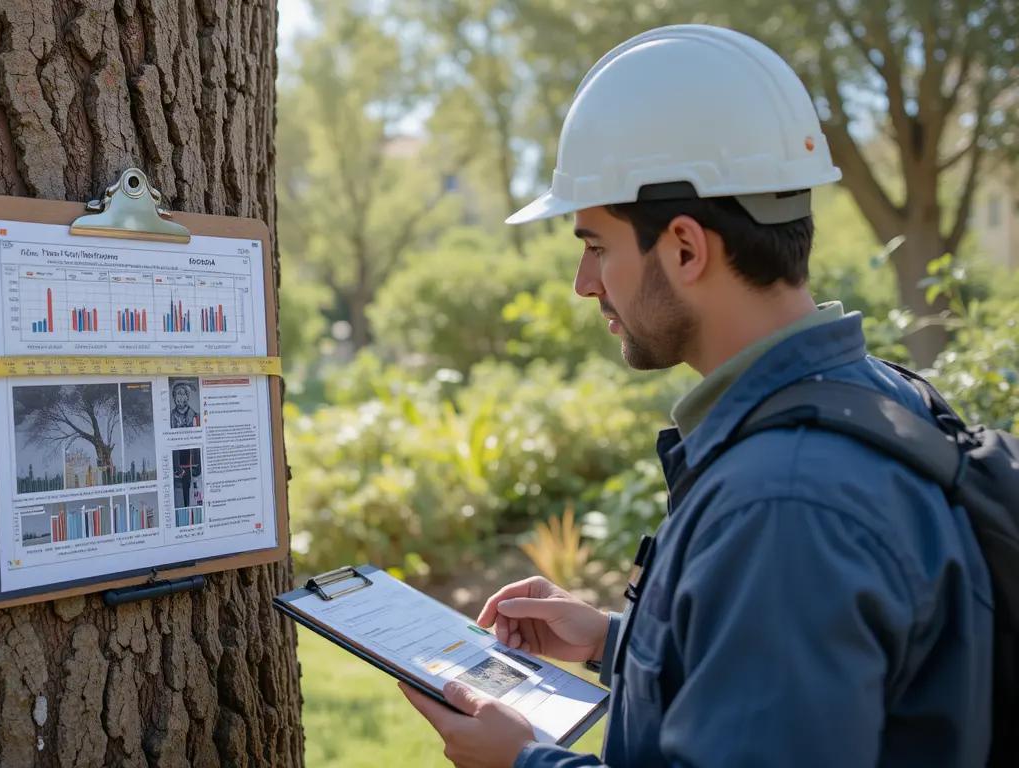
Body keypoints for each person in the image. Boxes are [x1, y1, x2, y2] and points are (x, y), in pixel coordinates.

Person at [398, 24, 993, 767]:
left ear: (684, 247)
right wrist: (620, 642)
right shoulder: (883, 400)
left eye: (595, 246)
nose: (585, 285)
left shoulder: (783, 501)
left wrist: (523, 763)